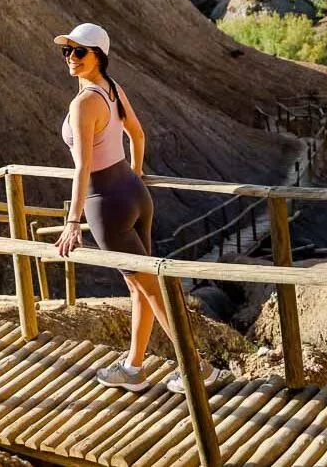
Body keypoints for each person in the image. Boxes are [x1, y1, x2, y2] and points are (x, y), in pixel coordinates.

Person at [53, 22, 220, 393]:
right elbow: (137, 134)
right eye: (67, 51)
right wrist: (136, 173)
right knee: (140, 286)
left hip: (106, 205)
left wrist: (73, 221)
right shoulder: (111, 89)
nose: (71, 58)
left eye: (79, 52)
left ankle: (196, 367)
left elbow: (82, 167)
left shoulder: (83, 103)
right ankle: (133, 368)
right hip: (133, 193)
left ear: (99, 56)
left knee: (151, 288)